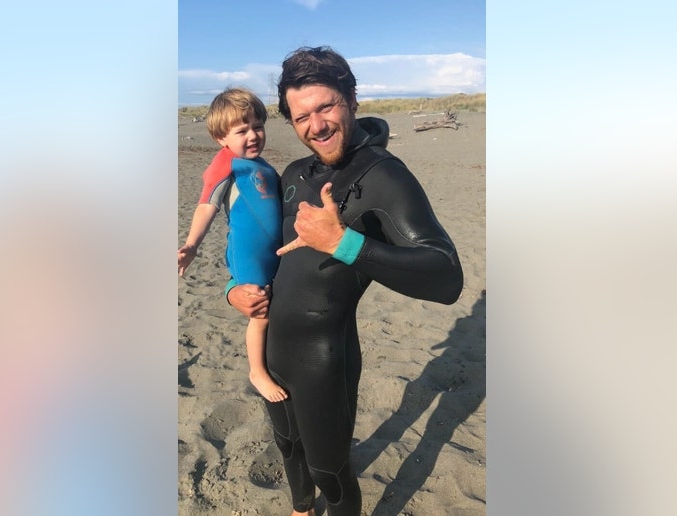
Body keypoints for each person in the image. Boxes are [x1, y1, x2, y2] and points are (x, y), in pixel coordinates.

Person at [226, 47, 464, 516]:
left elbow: (446, 275)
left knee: (329, 473)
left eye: (326, 107)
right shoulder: (294, 174)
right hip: (271, 347)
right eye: (301, 116)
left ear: (351, 98)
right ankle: (300, 511)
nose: (316, 125)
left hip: (322, 357)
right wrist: (233, 288)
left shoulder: (382, 176)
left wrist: (343, 244)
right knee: (288, 448)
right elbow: (249, 241)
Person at [179, 87, 288, 403]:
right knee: (260, 310)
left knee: (276, 302)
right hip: (247, 253)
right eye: (242, 130)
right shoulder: (226, 163)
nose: (253, 135)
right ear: (221, 139)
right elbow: (206, 205)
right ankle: (257, 371)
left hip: (273, 250)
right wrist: (192, 245)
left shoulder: (263, 165)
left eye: (257, 126)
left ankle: (273, 359)